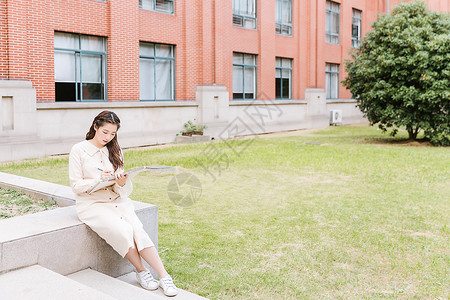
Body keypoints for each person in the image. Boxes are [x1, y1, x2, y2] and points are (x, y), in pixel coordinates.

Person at [69, 110, 178, 297]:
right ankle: (142, 271)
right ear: (95, 126)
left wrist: (120, 182)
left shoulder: (115, 150)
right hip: (92, 205)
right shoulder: (79, 150)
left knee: (138, 230)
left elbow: (121, 187)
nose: (108, 138)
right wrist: (97, 180)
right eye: (105, 132)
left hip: (118, 201)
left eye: (113, 134)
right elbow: (76, 186)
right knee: (122, 230)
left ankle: (164, 276)